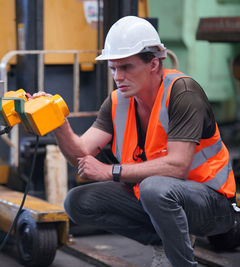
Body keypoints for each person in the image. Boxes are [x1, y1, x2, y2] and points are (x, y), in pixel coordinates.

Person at [35, 16, 236, 267]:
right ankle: (164, 242)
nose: (117, 76)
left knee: (154, 188)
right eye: (112, 68)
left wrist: (110, 171)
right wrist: (59, 124)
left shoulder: (183, 93)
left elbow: (178, 166)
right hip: (158, 198)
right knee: (77, 202)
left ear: (153, 64)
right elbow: (81, 156)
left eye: (126, 67)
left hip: (212, 204)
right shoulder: (118, 101)